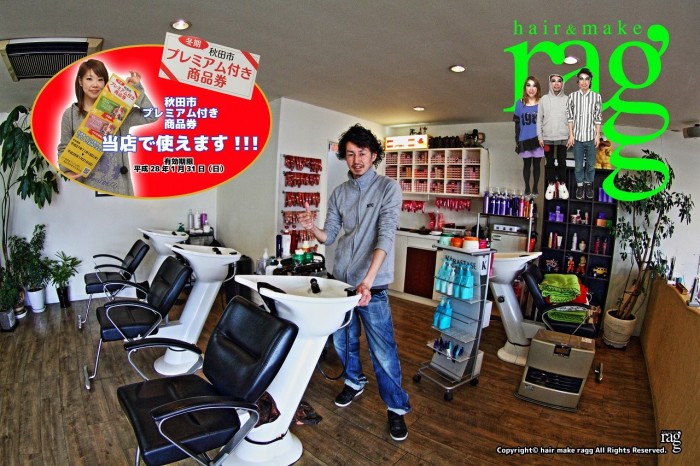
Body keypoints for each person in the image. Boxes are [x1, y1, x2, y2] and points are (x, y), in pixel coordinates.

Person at [298, 124, 411, 441]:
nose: (356, 160)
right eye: (350, 154)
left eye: (362, 153)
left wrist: (368, 281)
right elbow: (330, 237)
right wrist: (312, 228)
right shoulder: (339, 194)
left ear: (373, 155)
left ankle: (396, 408)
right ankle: (354, 381)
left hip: (372, 287)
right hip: (341, 285)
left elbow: (385, 235)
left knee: (383, 351)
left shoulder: (388, 188)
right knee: (343, 341)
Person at [57, 59, 158, 196]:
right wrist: (66, 170)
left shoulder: (119, 111)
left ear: (105, 83)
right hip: (86, 187)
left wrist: (136, 90)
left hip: (118, 187)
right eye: (89, 79)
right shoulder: (70, 114)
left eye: (100, 79)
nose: (95, 84)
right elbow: (64, 147)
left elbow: (152, 115)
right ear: (80, 81)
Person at [566, 67, 602, 200]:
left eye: (587, 79)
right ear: (578, 81)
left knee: (591, 165)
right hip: (577, 138)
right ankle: (580, 186)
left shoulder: (596, 97)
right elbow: (570, 117)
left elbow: (598, 117)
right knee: (578, 165)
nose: (584, 82)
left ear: (590, 81)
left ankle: (588, 185)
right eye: (581, 79)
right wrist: (571, 135)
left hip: (591, 138)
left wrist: (597, 135)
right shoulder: (572, 97)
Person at [537, 73, 570, 200]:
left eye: (559, 81)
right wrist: (540, 137)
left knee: (562, 161)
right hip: (547, 138)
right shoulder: (543, 99)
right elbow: (539, 120)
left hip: (563, 137)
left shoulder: (568, 99)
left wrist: (571, 136)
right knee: (549, 161)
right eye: (553, 81)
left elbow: (572, 120)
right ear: (550, 83)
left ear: (562, 84)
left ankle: (562, 184)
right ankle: (551, 184)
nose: (556, 83)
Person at [513, 76, 544, 196]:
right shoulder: (519, 103)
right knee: (526, 165)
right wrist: (517, 139)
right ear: (525, 88)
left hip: (538, 139)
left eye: (534, 86)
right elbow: (517, 123)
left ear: (538, 88)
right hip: (524, 139)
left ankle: (535, 187)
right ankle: (527, 187)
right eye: (528, 85)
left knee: (537, 165)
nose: (531, 89)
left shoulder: (543, 103)